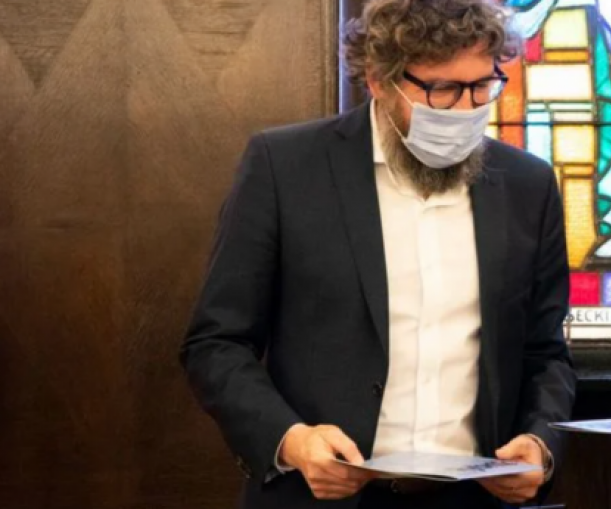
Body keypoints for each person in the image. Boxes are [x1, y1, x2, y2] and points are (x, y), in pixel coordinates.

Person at [180, 1, 576, 507]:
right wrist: (292, 440)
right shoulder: (286, 168)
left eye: (481, 86)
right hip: (323, 496)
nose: (465, 110)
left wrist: (540, 442)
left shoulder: (528, 185)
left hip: (473, 497)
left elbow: (546, 352)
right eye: (441, 89)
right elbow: (216, 343)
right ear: (378, 80)